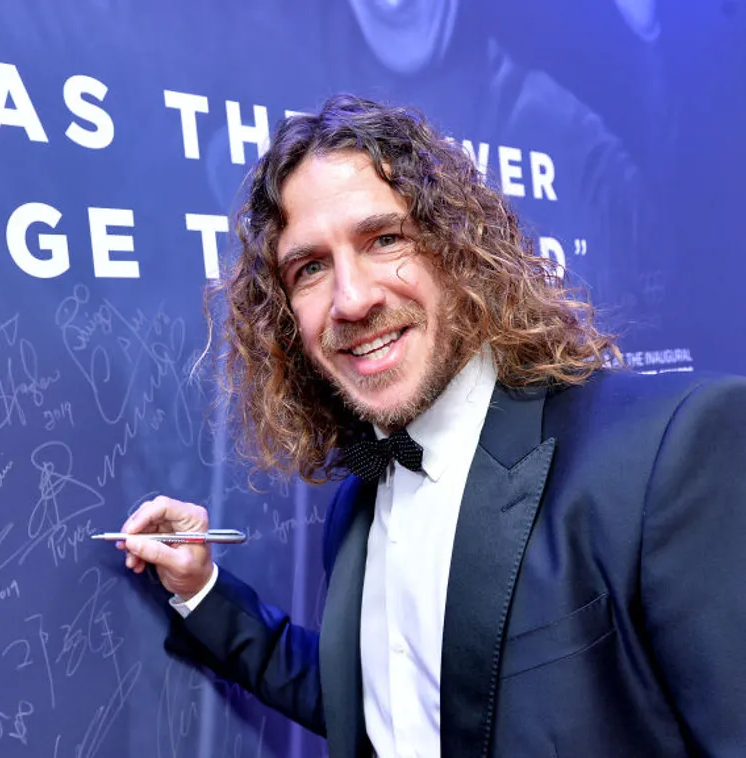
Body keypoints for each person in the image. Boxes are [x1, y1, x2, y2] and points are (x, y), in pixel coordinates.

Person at [117, 94, 746, 758]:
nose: (352, 299)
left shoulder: (673, 450)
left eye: (384, 239)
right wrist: (201, 590)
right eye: (309, 269)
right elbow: (378, 706)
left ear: (457, 249)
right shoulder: (356, 502)